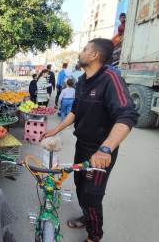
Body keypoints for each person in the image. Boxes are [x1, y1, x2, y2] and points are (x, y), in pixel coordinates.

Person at [43, 38, 139, 242]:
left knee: (92, 195)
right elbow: (75, 111)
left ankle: (94, 236)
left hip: (100, 151)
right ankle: (87, 218)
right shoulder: (82, 81)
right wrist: (56, 130)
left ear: (94, 55)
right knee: (79, 185)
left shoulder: (110, 78)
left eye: (85, 49)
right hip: (82, 146)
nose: (81, 52)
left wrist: (105, 149)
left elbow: (127, 115)